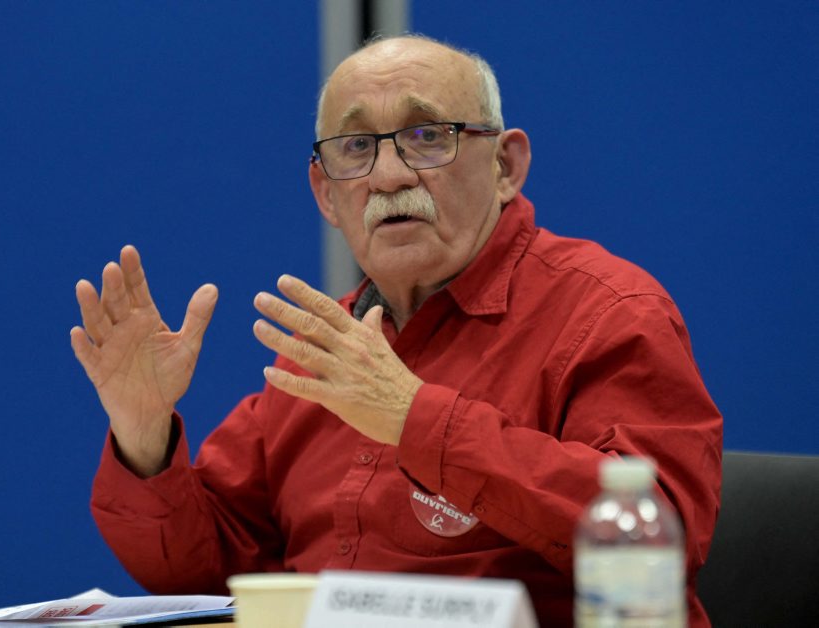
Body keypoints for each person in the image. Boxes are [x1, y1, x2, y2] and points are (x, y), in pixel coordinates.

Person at [71, 35, 722, 627]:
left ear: (505, 166)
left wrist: (415, 418)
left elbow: (657, 539)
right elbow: (198, 573)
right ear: (325, 194)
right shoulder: (323, 350)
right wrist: (143, 432)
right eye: (356, 148)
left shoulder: (608, 310)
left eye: (428, 135)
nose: (388, 176)